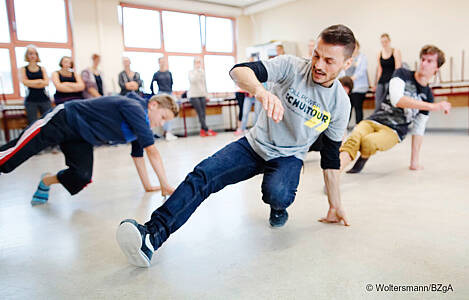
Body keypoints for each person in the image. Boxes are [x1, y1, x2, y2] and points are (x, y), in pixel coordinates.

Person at [116, 24, 355, 268]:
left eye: (329, 60)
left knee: (278, 193)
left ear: (346, 64)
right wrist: (261, 92)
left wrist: (335, 204)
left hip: (289, 156)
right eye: (316, 55)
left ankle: (278, 207)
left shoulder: (339, 104)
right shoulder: (292, 67)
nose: (318, 65)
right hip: (254, 144)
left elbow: (330, 159)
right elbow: (239, 71)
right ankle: (152, 235)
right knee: (204, 175)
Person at [0, 93, 179, 205]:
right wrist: (165, 184)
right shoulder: (135, 108)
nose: (161, 123)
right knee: (13, 155)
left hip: (81, 138)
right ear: (153, 105)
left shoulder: (142, 125)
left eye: (165, 121)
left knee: (81, 177)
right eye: (163, 117)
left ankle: (46, 181)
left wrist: (148, 187)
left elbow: (138, 156)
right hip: (64, 120)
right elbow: (152, 151)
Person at [340, 45, 451, 174]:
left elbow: (418, 129)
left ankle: (363, 157)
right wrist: (433, 106)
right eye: (423, 59)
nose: (424, 63)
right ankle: (334, 173)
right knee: (354, 137)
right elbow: (397, 100)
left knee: (368, 142)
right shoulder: (402, 73)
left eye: (429, 61)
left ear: (437, 68)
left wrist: (414, 163)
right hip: (374, 120)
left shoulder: (428, 96)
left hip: (394, 131)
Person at [19, 46, 52, 125]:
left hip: (44, 99)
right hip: (30, 100)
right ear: (27, 55)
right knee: (32, 123)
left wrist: (32, 83)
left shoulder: (42, 68)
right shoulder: (23, 69)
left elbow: (46, 83)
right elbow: (24, 82)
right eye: (30, 53)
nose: (32, 56)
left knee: (48, 121)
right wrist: (40, 81)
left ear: (37, 55)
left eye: (34, 54)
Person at [150, 57, 177, 141]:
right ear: (159, 63)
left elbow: (172, 83)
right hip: (161, 94)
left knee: (170, 113)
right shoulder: (156, 74)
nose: (162, 63)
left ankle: (168, 132)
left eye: (164, 61)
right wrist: (155, 95)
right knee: (163, 114)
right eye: (161, 62)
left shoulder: (169, 73)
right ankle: (166, 132)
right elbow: (151, 85)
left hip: (169, 93)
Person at [188, 57, 217, 137]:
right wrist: (197, 71)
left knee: (203, 114)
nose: (198, 64)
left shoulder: (202, 72)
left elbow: (204, 84)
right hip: (194, 96)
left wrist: (207, 95)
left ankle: (202, 131)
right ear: (194, 63)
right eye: (197, 62)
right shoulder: (191, 72)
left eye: (199, 62)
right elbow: (192, 80)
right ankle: (207, 129)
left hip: (202, 95)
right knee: (200, 113)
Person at [373, 33, 402, 110]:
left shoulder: (395, 51)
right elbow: (379, 69)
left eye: (385, 41)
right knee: (378, 101)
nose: (384, 44)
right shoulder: (379, 53)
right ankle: (378, 119)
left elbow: (398, 68)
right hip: (382, 79)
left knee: (388, 101)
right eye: (382, 42)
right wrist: (376, 83)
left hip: (391, 79)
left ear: (389, 41)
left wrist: (395, 82)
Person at [345, 41, 369, 125]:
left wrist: (350, 79)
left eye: (355, 47)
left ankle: (358, 126)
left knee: (358, 107)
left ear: (358, 47)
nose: (354, 49)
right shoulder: (348, 57)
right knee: (349, 107)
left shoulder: (362, 57)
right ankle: (345, 126)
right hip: (349, 87)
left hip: (359, 87)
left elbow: (361, 71)